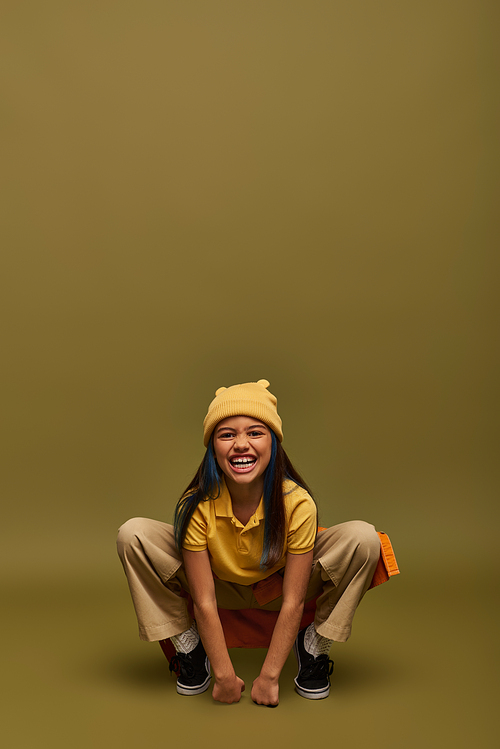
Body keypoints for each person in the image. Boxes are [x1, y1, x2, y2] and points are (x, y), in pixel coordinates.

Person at [117, 379, 389, 707]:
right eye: (227, 434)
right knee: (132, 534)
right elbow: (204, 601)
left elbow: (293, 600)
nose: (241, 445)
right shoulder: (196, 504)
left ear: (273, 443)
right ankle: (189, 646)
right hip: (220, 589)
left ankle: (314, 644)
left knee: (364, 538)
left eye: (255, 433)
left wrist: (270, 676)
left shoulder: (297, 503)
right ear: (213, 448)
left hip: (279, 589)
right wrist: (223, 677)